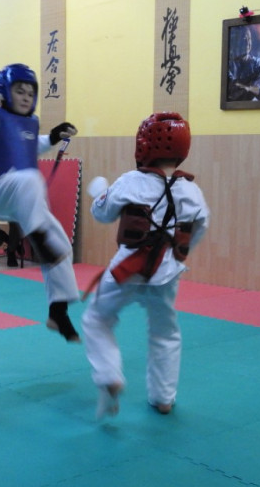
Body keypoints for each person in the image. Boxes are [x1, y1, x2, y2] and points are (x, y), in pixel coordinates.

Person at [81, 112, 209, 419]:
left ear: (144, 145)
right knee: (165, 332)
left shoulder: (131, 182)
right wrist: (176, 255)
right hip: (168, 273)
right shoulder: (192, 191)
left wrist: (100, 194)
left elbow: (102, 214)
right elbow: (200, 227)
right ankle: (164, 398)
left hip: (127, 269)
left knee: (97, 319)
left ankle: (109, 375)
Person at [0, 63, 80, 342]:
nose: (26, 97)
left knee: (61, 247)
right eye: (19, 91)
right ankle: (38, 240)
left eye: (30, 93)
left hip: (23, 199)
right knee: (31, 179)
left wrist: (55, 135)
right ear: (4, 92)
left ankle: (58, 312)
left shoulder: (31, 122)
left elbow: (33, 145)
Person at [226, 24, 260, 102]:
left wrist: (240, 86)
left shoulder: (259, 64)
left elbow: (259, 91)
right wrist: (249, 86)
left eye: (249, 39)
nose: (247, 42)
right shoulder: (228, 65)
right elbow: (230, 90)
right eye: (244, 38)